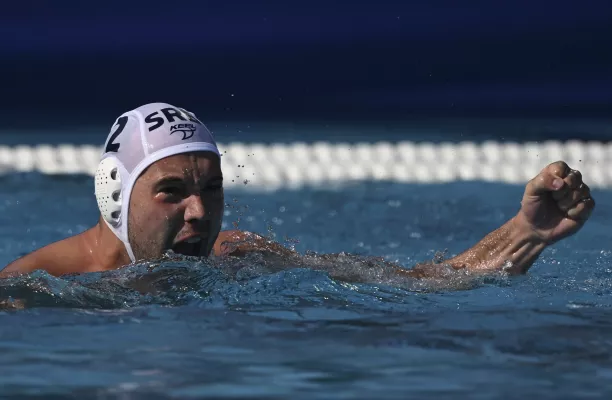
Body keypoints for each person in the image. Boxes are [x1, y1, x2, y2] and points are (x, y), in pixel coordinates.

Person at [0, 102, 596, 280]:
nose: (200, 211)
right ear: (113, 196)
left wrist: (527, 233)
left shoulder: (239, 254)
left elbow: (416, 286)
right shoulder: (34, 288)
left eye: (211, 188)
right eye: (171, 191)